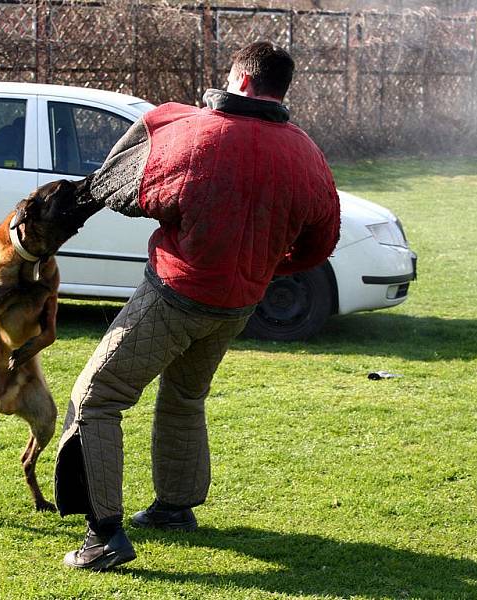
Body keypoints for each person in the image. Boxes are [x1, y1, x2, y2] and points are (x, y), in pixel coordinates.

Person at [54, 41, 341, 571]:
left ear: (243, 80)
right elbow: (321, 243)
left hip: (176, 295)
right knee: (185, 396)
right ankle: (174, 509)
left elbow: (126, 194)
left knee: (97, 396)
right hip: (238, 306)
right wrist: (263, 268)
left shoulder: (192, 134)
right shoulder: (307, 153)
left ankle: (104, 537)